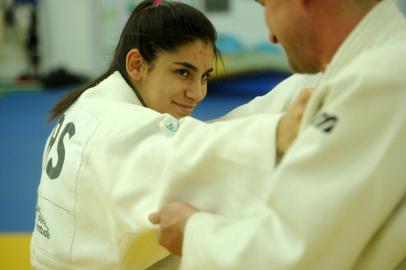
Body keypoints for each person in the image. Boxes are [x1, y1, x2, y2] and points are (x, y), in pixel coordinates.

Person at [150, 0, 406, 269]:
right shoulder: (342, 72)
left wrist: (194, 233)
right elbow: (237, 122)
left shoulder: (382, 76)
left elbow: (295, 254)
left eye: (266, 5)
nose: (271, 35)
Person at [30, 0, 221, 268]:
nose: (197, 93)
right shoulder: (123, 127)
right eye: (183, 72)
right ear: (137, 64)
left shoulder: (94, 100)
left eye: (204, 76)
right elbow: (214, 153)